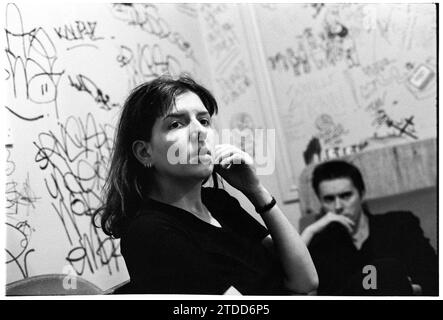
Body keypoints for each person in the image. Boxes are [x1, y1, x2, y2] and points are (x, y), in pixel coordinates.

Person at [94, 75, 318, 295]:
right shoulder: (150, 231)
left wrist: (256, 191)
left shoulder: (218, 203)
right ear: (145, 152)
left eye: (204, 121)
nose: (199, 132)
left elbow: (305, 281)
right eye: (176, 124)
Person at [301, 160, 438, 296]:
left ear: (361, 194)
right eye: (329, 199)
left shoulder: (400, 224)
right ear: (320, 201)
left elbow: (432, 275)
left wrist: (408, 289)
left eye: (346, 196)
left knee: (386, 268)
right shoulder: (320, 243)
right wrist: (309, 231)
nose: (338, 206)